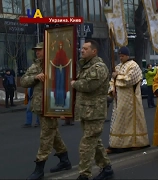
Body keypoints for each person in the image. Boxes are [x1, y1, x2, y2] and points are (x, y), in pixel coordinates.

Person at [21, 42, 71, 180]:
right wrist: (35, 77)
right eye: (36, 50)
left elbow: (64, 79)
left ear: (47, 50)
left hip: (52, 104)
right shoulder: (35, 66)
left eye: (40, 50)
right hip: (39, 106)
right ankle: (65, 160)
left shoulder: (54, 63)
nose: (37, 52)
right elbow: (23, 81)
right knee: (53, 134)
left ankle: (39, 168)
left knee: (46, 136)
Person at [71, 40, 113, 180]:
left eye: (85, 48)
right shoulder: (85, 66)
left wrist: (74, 83)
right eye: (81, 48)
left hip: (95, 112)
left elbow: (88, 86)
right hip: (85, 111)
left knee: (86, 144)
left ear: (94, 51)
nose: (82, 50)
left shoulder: (99, 67)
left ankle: (84, 174)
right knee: (95, 142)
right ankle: (106, 168)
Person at [106, 46, 149, 154]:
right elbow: (112, 80)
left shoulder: (134, 65)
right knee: (118, 122)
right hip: (119, 100)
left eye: (123, 56)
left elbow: (130, 80)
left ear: (127, 55)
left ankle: (135, 143)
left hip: (131, 100)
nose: (121, 58)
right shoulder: (118, 66)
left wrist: (117, 77)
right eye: (119, 56)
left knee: (131, 122)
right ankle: (116, 144)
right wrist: (112, 89)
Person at [51, 41, 71, 107]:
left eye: (61, 45)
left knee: (62, 85)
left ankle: (62, 102)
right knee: (57, 85)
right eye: (59, 45)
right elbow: (54, 59)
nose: (60, 47)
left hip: (63, 69)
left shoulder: (63, 52)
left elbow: (66, 60)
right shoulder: (57, 52)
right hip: (57, 69)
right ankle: (57, 101)